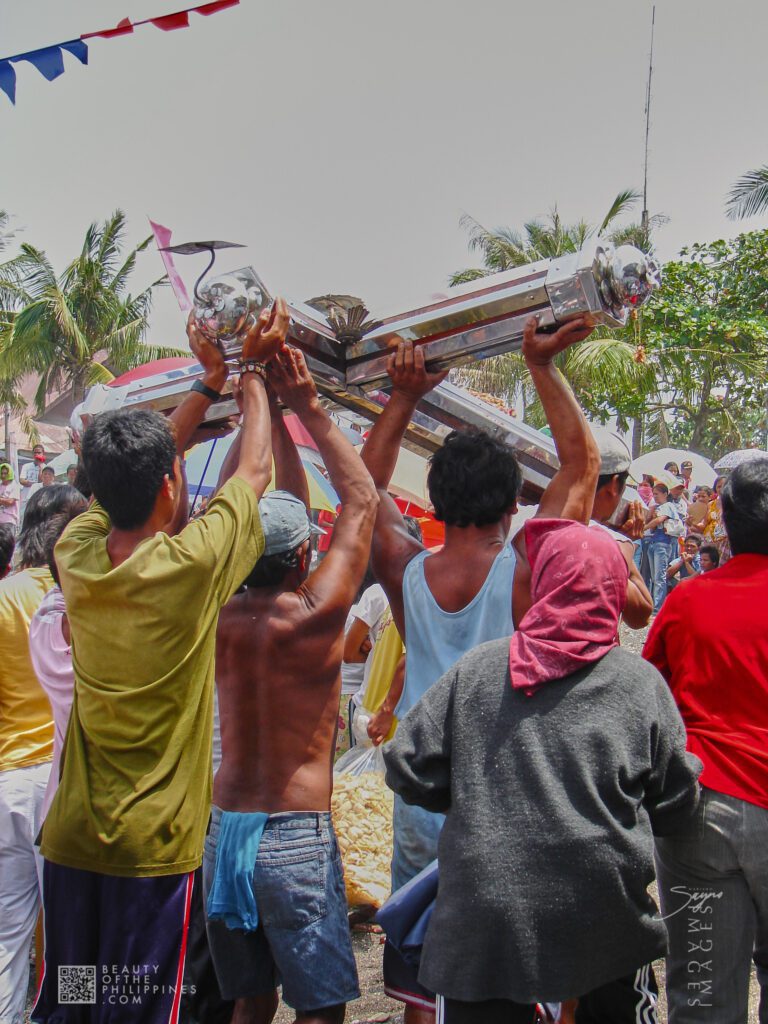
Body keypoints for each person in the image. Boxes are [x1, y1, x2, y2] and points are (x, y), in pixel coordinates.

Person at [33, 301, 288, 1022]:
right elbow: (257, 469)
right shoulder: (192, 565)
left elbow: (118, 483)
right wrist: (251, 376)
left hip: (73, 839)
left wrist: (206, 389)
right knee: (143, 1006)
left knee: (75, 999)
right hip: (154, 851)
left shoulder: (76, 554)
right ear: (173, 486)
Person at [361, 315, 600, 1022]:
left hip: (426, 807)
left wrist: (402, 398)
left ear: (435, 502)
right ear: (512, 502)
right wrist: (542, 367)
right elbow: (580, 465)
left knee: (422, 989)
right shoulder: (529, 568)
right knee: (528, 990)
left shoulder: (406, 573)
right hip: (514, 807)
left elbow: (362, 490)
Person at [383, 519, 702, 1024]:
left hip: (483, 927)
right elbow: (678, 804)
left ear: (547, 584)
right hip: (603, 924)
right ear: (613, 591)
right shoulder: (639, 686)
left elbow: (407, 765)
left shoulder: (479, 670)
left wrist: (473, 795)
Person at [205, 347, 378, 1024]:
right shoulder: (313, 616)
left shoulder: (212, 608)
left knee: (250, 997)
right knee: (320, 1006)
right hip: (293, 833)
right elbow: (361, 499)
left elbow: (240, 508)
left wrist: (263, 405)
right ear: (304, 557)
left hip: (227, 828)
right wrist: (305, 403)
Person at [644, 459, 768, 1023]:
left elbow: (649, 699)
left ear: (727, 524)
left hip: (702, 814)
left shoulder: (688, 600)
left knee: (702, 998)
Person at [0, 485, 87, 1024]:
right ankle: (72, 1016)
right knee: (69, 929)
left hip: (6, 781)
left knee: (8, 934)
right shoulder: (72, 597)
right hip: (56, 786)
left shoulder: (5, 595)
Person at [589, 429, 653, 628]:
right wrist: (624, 545)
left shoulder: (526, 521)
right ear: (614, 485)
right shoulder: (608, 543)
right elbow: (640, 615)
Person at [642, 482, 684, 614]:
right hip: (654, 542)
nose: (654, 497)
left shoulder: (668, 506)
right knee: (654, 577)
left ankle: (657, 607)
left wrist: (644, 528)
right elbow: (654, 525)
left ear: (665, 494)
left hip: (663, 544)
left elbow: (659, 521)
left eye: (657, 494)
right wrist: (651, 514)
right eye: (653, 494)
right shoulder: (658, 508)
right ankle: (654, 604)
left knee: (659, 576)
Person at [0, 461, 20, 530]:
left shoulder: (14, 486)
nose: (3, 476)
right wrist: (4, 500)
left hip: (9, 521)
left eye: (5, 473)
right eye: (1, 473)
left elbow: (10, 502)